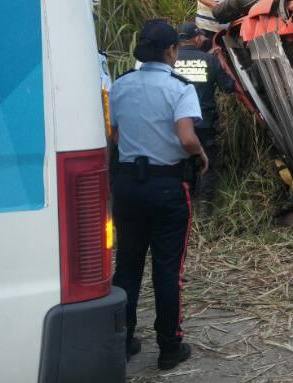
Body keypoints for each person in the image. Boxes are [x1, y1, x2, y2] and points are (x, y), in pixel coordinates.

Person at [109, 19, 210, 371]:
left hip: (126, 187)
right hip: (167, 187)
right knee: (167, 270)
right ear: (171, 51)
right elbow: (186, 137)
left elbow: (116, 136)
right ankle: (169, 346)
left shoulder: (120, 85)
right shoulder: (179, 88)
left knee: (127, 267)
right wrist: (200, 153)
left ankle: (122, 342)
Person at [174, 21, 236, 220]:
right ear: (196, 37)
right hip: (204, 124)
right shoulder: (209, 60)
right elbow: (229, 86)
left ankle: (183, 209)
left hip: (175, 126)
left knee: (180, 165)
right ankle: (204, 213)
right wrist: (218, 60)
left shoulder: (170, 60)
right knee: (207, 164)